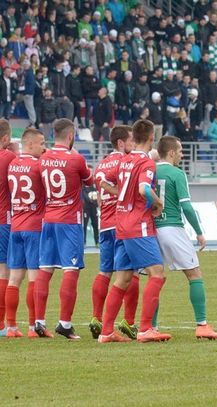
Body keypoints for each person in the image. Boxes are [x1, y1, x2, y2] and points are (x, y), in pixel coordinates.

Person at [98, 119, 170, 343]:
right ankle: (146, 329)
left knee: (123, 279)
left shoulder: (124, 160)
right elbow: (143, 189)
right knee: (157, 273)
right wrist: (158, 203)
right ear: (151, 138)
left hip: (120, 223)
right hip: (138, 224)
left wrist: (119, 194)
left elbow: (102, 180)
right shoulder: (146, 163)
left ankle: (106, 332)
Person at [153, 136, 217, 339]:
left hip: (151, 230)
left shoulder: (150, 170)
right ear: (171, 153)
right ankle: (202, 325)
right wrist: (199, 232)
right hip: (172, 228)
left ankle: (150, 326)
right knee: (194, 274)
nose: (182, 155)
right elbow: (187, 207)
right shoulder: (177, 173)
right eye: (180, 151)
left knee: (155, 279)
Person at [34, 119, 94, 339]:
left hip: (48, 218)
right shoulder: (76, 159)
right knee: (71, 269)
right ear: (71, 136)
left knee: (45, 268)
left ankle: (39, 321)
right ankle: (65, 323)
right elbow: (90, 180)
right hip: (69, 220)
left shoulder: (44, 158)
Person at [89, 126, 139, 340]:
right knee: (130, 274)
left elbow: (100, 195)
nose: (134, 144)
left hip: (105, 225)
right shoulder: (125, 162)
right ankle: (128, 322)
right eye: (131, 140)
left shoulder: (102, 164)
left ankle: (96, 318)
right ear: (121, 143)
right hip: (122, 224)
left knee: (104, 272)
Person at [4, 129, 46, 337]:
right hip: (34, 226)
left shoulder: (13, 164)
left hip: (16, 225)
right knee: (34, 278)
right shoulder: (38, 166)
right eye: (41, 143)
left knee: (14, 279)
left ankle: (11, 327)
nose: (44, 148)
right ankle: (32, 327)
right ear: (29, 144)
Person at [0, 120, 16, 336]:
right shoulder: (9, 157)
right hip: (3, 219)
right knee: (4, 270)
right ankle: (1, 324)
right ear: (5, 138)